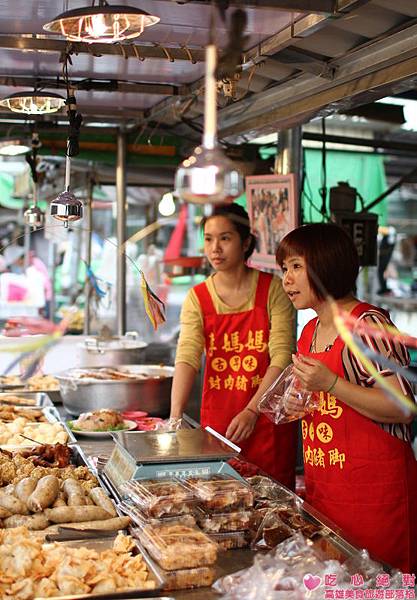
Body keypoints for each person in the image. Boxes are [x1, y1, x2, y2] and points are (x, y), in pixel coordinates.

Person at [276, 222, 417, 573]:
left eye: (296, 267)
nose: (286, 279)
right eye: (284, 269)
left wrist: (331, 384)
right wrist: (298, 404)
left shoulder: (368, 325)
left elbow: (403, 408)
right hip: (327, 493)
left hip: (376, 501)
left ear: (326, 265)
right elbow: (320, 396)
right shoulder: (308, 331)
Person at [170, 203, 298, 487]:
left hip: (267, 420)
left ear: (246, 242)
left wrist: (253, 410)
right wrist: (175, 417)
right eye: (208, 239)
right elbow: (187, 356)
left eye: (225, 238)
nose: (215, 248)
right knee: (221, 500)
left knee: (274, 505)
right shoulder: (197, 297)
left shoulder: (273, 289)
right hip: (219, 424)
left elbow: (282, 355)